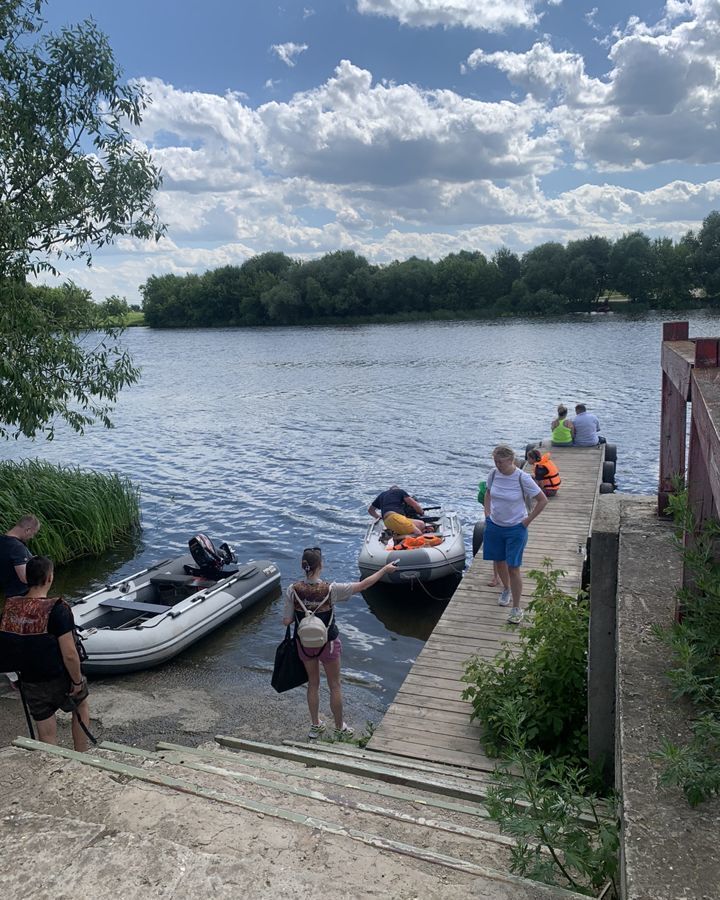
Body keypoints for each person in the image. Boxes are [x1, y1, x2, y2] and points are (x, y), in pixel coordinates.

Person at [282, 547, 399, 740]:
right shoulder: (331, 589)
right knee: (335, 686)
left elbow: (286, 621)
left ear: (303, 566)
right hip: (328, 643)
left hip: (304, 644)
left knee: (313, 684)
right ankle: (339, 727)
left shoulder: (292, 590)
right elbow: (363, 585)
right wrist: (385, 570)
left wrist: (304, 614)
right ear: (321, 565)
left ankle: (315, 725)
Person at [0, 555, 91, 751]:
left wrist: (14, 676)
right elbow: (69, 653)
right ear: (49, 578)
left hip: (30, 680)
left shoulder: (10, 607)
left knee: (45, 728)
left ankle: (52, 762)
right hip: (59, 677)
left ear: (27, 578)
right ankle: (82, 753)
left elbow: (7, 644)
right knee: (81, 706)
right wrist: (76, 681)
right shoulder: (57, 609)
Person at [483, 445, 548, 624]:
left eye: (500, 462)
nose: (497, 465)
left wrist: (527, 521)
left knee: (514, 567)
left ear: (511, 461)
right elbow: (487, 493)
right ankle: (506, 589)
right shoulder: (493, 474)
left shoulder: (522, 477)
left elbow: (542, 500)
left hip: (515, 528)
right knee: (499, 560)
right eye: (495, 461)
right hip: (495, 525)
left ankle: (516, 608)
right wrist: (487, 514)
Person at [0, 515, 40, 601]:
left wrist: (29, 559)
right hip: (22, 596)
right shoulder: (17, 547)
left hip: (9, 594)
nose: (32, 537)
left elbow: (8, 562)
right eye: (33, 533)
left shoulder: (2, 540)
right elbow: (24, 578)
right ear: (28, 530)